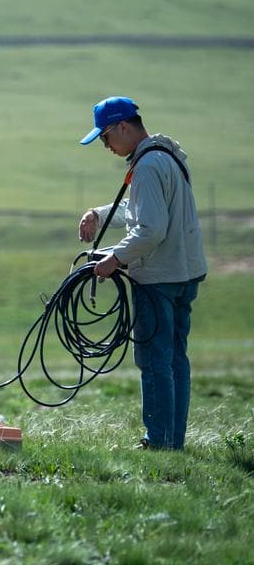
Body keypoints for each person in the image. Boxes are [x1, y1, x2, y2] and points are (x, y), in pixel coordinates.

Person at [77, 96, 207, 450]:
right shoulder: (165, 156)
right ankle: (172, 442)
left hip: (159, 277)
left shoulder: (147, 165)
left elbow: (150, 229)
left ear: (122, 127)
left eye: (105, 137)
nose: (106, 146)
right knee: (175, 359)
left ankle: (159, 442)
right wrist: (98, 214)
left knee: (154, 361)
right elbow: (142, 211)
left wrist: (115, 258)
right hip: (183, 272)